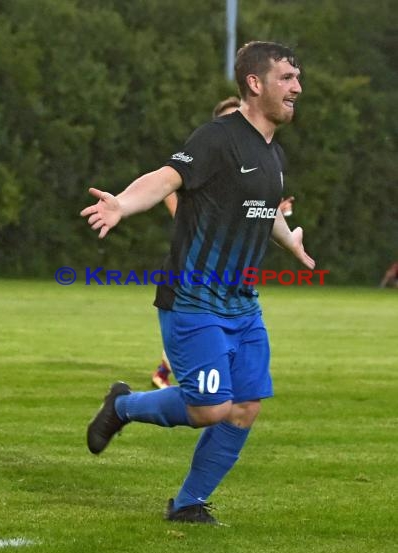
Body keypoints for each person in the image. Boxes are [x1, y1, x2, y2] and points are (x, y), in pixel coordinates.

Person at [81, 40, 315, 525]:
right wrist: (122, 203)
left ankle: (187, 504)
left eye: (297, 78)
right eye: (287, 78)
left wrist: (288, 241)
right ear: (255, 84)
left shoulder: (273, 153)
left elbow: (259, 208)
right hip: (194, 298)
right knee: (212, 409)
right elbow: (167, 178)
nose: (297, 87)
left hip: (243, 303)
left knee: (245, 407)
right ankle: (122, 406)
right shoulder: (217, 138)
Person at [152, 94, 295, 389]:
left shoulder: (266, 159)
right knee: (210, 400)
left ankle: (171, 377)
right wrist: (187, 217)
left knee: (240, 400)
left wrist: (279, 220)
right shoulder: (210, 151)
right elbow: (167, 185)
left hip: (238, 289)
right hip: (195, 282)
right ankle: (158, 381)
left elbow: (254, 207)